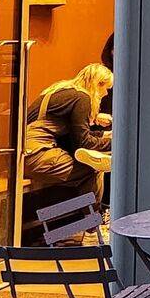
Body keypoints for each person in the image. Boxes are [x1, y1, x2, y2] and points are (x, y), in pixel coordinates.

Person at [22, 61, 113, 214]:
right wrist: (115, 143)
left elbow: (73, 134)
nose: (106, 94)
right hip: (38, 156)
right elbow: (83, 143)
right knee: (94, 168)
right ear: (97, 84)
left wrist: (102, 134)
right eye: (106, 88)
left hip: (24, 157)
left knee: (85, 170)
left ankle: (87, 219)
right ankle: (93, 222)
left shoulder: (60, 91)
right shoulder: (82, 98)